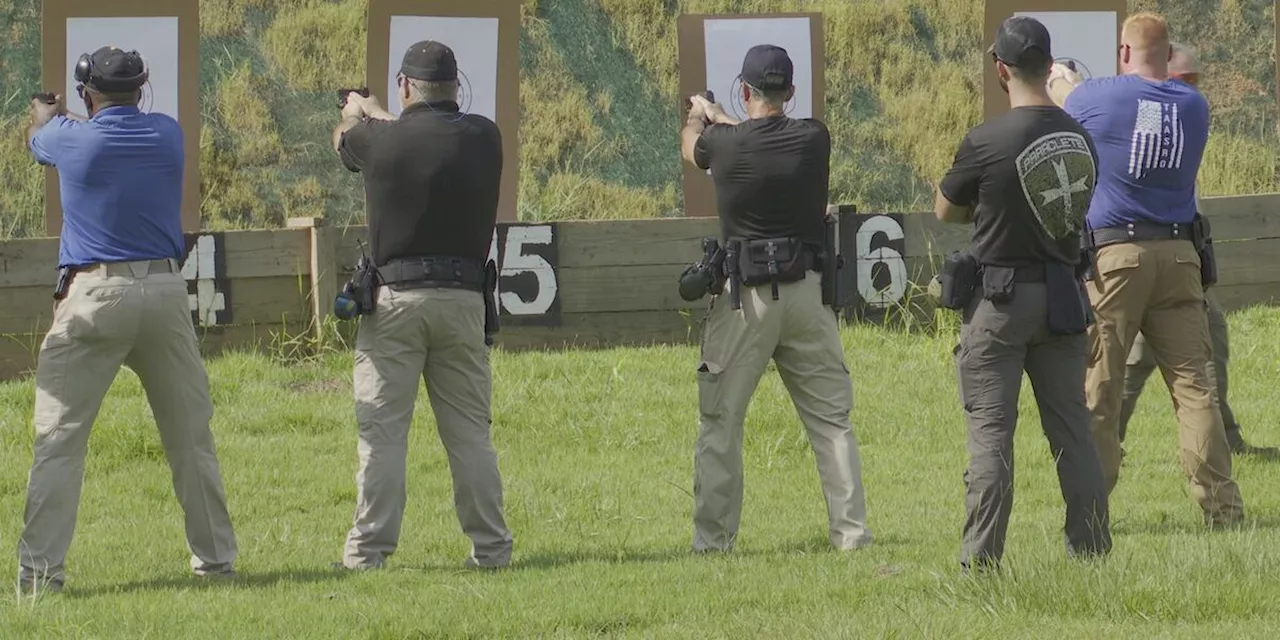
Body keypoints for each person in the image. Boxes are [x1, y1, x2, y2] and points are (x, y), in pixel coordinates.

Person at [17, 46, 238, 595]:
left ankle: (41, 578)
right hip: (164, 292)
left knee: (59, 440)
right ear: (140, 90)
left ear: (88, 95)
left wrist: (45, 116)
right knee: (191, 438)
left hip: (94, 293)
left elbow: (38, 141)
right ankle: (216, 564)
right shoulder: (168, 134)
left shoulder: (71, 136)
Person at [1049, 12, 1245, 527]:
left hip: (1115, 261)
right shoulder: (1194, 106)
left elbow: (1066, 96)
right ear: (1169, 53)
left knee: (1101, 388)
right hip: (1180, 258)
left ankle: (1091, 513)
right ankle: (1222, 510)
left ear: (1125, 52)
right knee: (1195, 390)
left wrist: (1060, 78)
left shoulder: (1101, 97)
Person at [934, 16, 1111, 572]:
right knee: (1074, 433)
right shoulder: (1081, 137)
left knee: (991, 437)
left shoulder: (987, 140)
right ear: (1049, 65)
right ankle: (1092, 549)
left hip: (1000, 302)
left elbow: (945, 210)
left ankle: (981, 562)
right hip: (1063, 297)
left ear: (1001, 70)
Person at [680, 44, 872, 553]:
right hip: (808, 295)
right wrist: (721, 117)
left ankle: (712, 541)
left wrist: (700, 117)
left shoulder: (723, 144)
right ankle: (852, 535)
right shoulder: (814, 138)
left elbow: (695, 146)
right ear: (789, 91)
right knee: (832, 423)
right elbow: (754, 132)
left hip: (746, 301)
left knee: (721, 422)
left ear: (744, 92)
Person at [331, 40, 513, 570]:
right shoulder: (485, 137)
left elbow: (349, 139)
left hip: (395, 303)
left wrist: (353, 109)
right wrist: (380, 111)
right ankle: (492, 548)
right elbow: (423, 130)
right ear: (456, 86)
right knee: (470, 437)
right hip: (463, 301)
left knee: (383, 435)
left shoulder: (379, 141)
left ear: (405, 86)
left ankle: (368, 553)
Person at [1116, 42, 1278, 457]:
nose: (1193, 90)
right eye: (1185, 81)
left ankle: (1225, 440)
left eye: (1195, 82)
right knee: (1136, 366)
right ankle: (1097, 444)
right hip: (1159, 258)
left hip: (1184, 257)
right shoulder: (1150, 116)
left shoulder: (1179, 116)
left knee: (1209, 348)